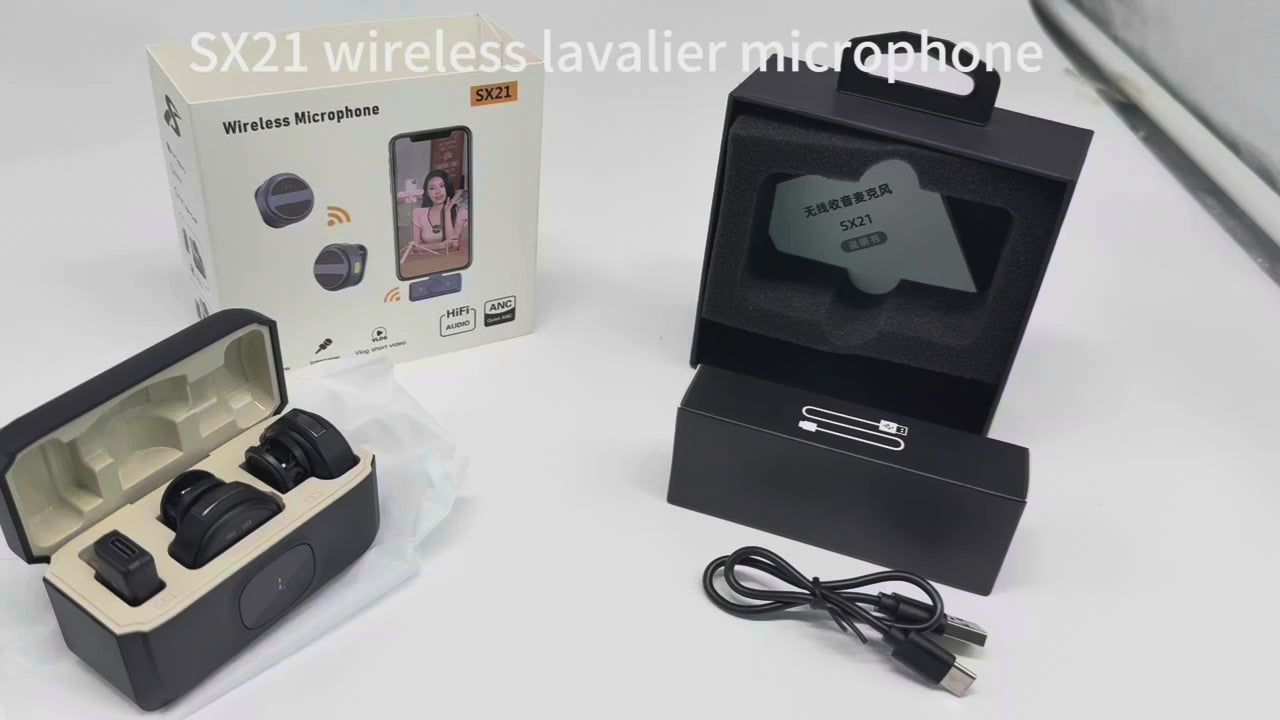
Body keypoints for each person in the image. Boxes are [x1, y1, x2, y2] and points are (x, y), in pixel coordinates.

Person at [404, 169, 468, 263]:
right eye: (432, 188)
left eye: (442, 186)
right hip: (425, 263)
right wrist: (440, 245)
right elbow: (415, 247)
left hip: (453, 263)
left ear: (447, 188)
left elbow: (453, 247)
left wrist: (447, 212)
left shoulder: (460, 213)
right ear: (427, 192)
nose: (438, 192)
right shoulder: (418, 214)